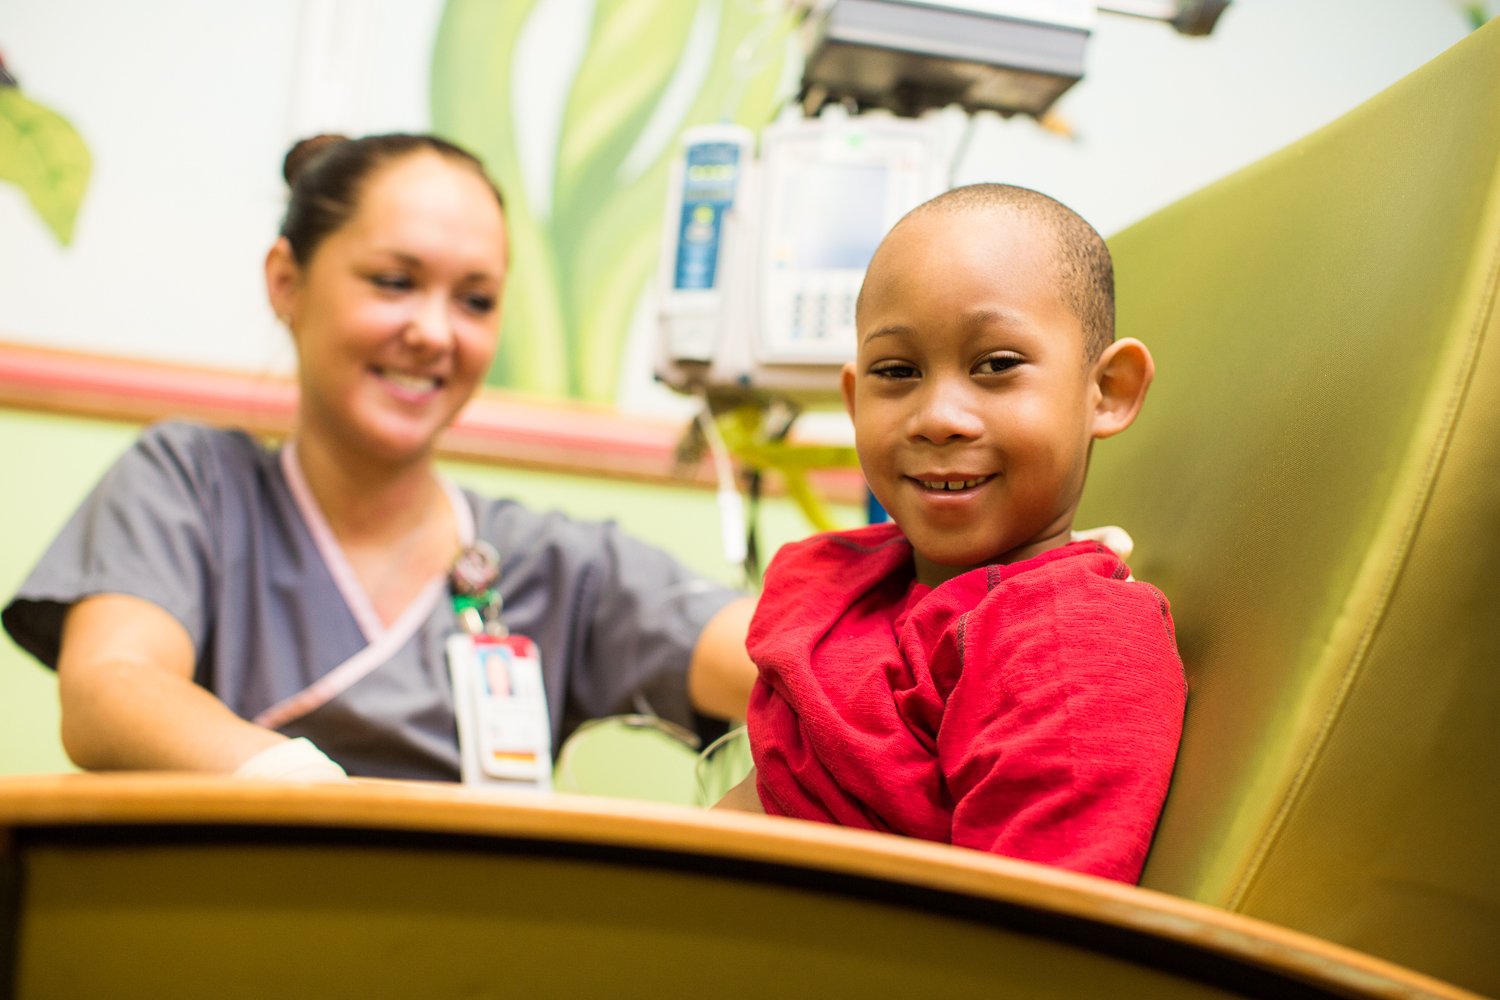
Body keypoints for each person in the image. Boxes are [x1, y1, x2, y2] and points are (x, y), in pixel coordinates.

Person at [1, 133, 756, 782]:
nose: (435, 331)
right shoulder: (191, 486)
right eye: (395, 282)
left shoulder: (556, 567)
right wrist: (303, 794)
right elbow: (111, 689)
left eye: (476, 300)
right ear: (287, 283)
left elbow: (783, 663)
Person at [718, 183, 1185, 885]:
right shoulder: (848, 583)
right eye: (897, 372)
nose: (939, 416)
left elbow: (1020, 946)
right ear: (854, 400)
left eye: (996, 365)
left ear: (1108, 390)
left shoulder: (1067, 646)